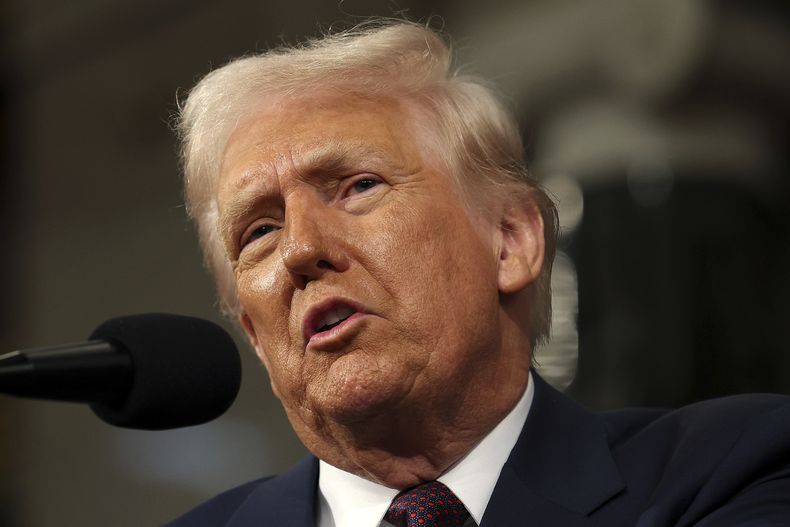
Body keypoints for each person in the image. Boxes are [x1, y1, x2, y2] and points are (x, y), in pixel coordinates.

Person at [168, 20, 790, 527]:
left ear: (511, 242)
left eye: (358, 186)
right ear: (255, 333)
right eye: (261, 231)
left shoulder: (733, 467)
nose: (301, 248)